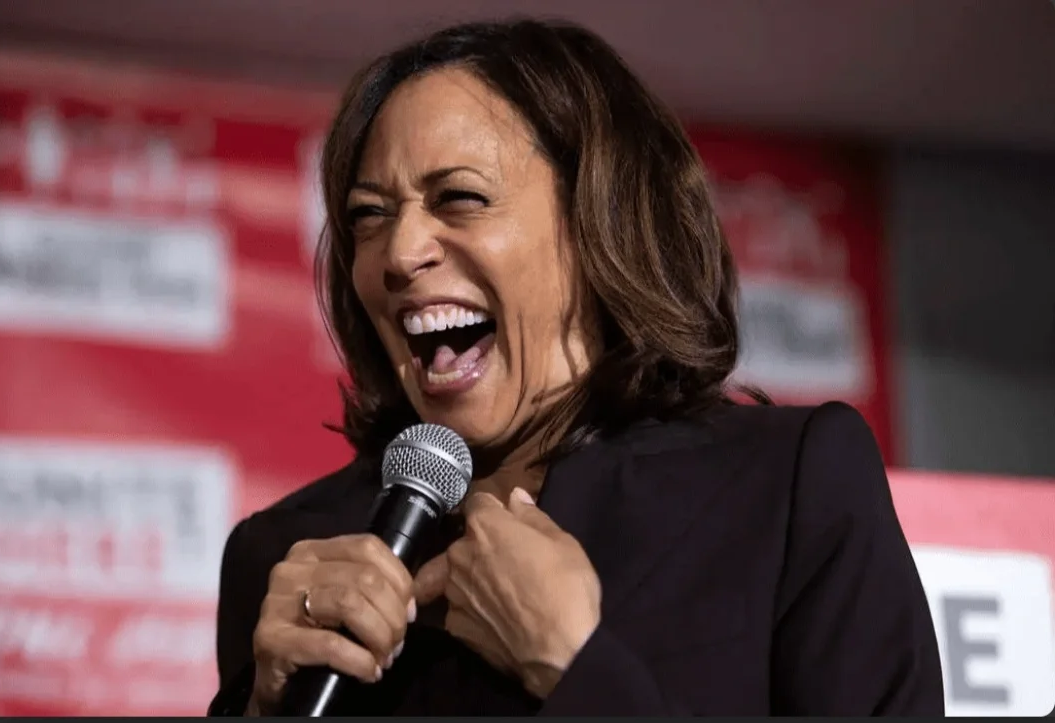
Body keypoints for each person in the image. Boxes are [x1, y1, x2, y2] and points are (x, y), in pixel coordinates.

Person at [208, 18, 945, 717]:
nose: (399, 254)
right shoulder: (281, 554)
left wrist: (575, 667)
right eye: (369, 215)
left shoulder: (782, 492)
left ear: (600, 225)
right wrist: (261, 705)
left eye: (459, 198)